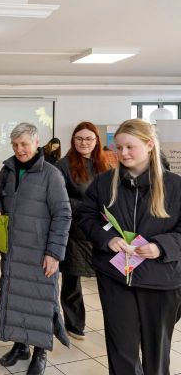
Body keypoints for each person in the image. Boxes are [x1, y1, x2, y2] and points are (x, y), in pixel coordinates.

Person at [79, 119, 181, 375]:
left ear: (149, 145)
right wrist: (108, 238)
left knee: (156, 355)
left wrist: (161, 246)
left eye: (129, 147)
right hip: (115, 278)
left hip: (161, 280)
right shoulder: (104, 184)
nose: (122, 154)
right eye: (118, 147)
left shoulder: (175, 186)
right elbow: (86, 217)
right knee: (121, 351)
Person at [0, 123, 71, 375]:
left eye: (24, 144)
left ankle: (40, 353)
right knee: (15, 299)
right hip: (13, 251)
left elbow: (63, 214)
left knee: (40, 302)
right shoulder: (8, 170)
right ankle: (20, 346)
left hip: (39, 253)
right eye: (15, 145)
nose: (19, 150)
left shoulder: (51, 174)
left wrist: (54, 253)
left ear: (37, 143)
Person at [55, 122, 110, 341]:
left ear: (96, 141)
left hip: (102, 230)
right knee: (72, 280)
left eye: (88, 139)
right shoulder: (63, 165)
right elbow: (59, 199)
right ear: (73, 140)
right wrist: (89, 207)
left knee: (107, 278)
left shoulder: (105, 164)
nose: (84, 143)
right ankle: (74, 325)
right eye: (79, 138)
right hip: (74, 232)